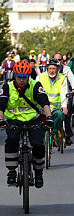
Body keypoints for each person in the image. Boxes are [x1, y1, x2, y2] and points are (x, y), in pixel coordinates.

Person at [0, 60, 53, 188]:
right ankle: (12, 172)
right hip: (14, 120)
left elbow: (44, 102)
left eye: (24, 77)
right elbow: (1, 104)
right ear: (14, 75)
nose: (22, 80)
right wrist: (1, 118)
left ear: (28, 76)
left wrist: (49, 117)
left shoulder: (35, 85)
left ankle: (39, 172)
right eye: (19, 77)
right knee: (12, 140)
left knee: (38, 144)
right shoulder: (8, 87)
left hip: (33, 120)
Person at [37, 58, 69, 145]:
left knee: (60, 115)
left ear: (58, 69)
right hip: (42, 107)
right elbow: (35, 92)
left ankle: (55, 132)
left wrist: (64, 106)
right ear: (47, 68)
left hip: (56, 108)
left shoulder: (62, 78)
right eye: (50, 68)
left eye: (54, 69)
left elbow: (64, 93)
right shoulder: (40, 77)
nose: (51, 71)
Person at [53, 52, 74, 146]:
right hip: (54, 97)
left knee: (67, 115)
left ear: (62, 61)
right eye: (56, 60)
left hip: (66, 96)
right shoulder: (50, 70)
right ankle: (53, 134)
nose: (58, 62)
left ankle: (67, 136)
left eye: (60, 60)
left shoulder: (66, 69)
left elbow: (72, 79)